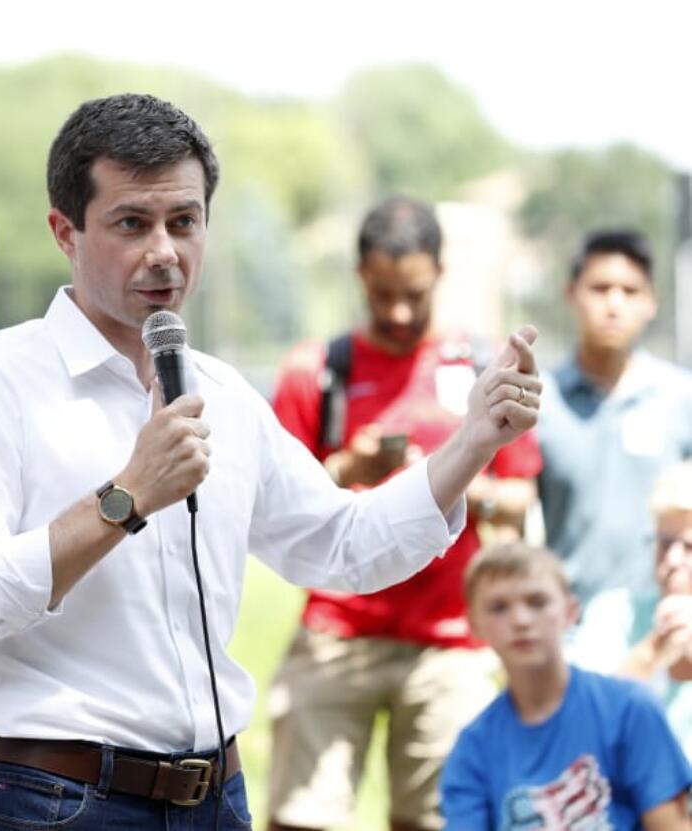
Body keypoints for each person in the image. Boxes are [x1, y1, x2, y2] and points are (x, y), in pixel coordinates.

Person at [0, 92, 542, 830]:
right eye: (132, 223)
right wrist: (125, 498)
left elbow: (343, 546)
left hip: (215, 796)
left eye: (184, 221)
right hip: (51, 798)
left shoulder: (226, 395)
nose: (164, 251)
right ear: (65, 231)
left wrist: (472, 443)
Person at [266, 196, 542, 831]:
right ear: (361, 274)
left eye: (412, 294)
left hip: (450, 639)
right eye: (383, 292)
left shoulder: (481, 366)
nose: (397, 311)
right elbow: (275, 503)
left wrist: (446, 483)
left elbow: (522, 495)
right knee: (302, 815)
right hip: (339, 626)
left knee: (445, 819)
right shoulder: (318, 372)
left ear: (440, 273)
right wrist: (351, 474)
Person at [440, 543, 692, 830]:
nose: (521, 620)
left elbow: (671, 825)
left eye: (537, 602)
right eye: (499, 608)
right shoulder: (473, 749)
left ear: (570, 611)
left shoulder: (629, 709)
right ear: (474, 624)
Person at [538, 229, 692, 613]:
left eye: (630, 291)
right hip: (566, 628)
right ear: (571, 293)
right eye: (600, 288)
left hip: (663, 626)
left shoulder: (680, 398)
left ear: (652, 301)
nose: (614, 304)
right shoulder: (541, 402)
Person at [570, 460, 692, 759]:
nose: (673, 560)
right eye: (665, 544)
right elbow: (580, 724)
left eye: (689, 547)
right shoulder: (613, 613)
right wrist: (652, 651)